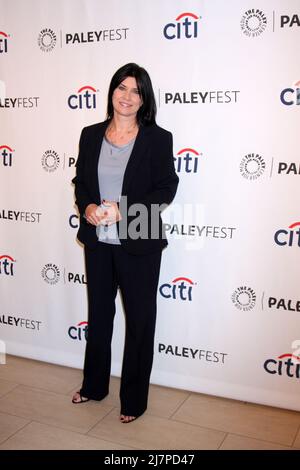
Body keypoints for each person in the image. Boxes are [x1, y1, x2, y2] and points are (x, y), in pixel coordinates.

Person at [71, 63, 179, 423]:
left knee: (140, 321)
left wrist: (125, 210)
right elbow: (81, 181)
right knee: (99, 316)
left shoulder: (158, 138)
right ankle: (94, 387)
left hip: (140, 242)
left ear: (144, 98)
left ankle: (134, 402)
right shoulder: (90, 134)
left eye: (136, 90)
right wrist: (86, 206)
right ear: (112, 92)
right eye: (121, 87)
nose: (127, 96)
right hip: (99, 242)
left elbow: (166, 189)